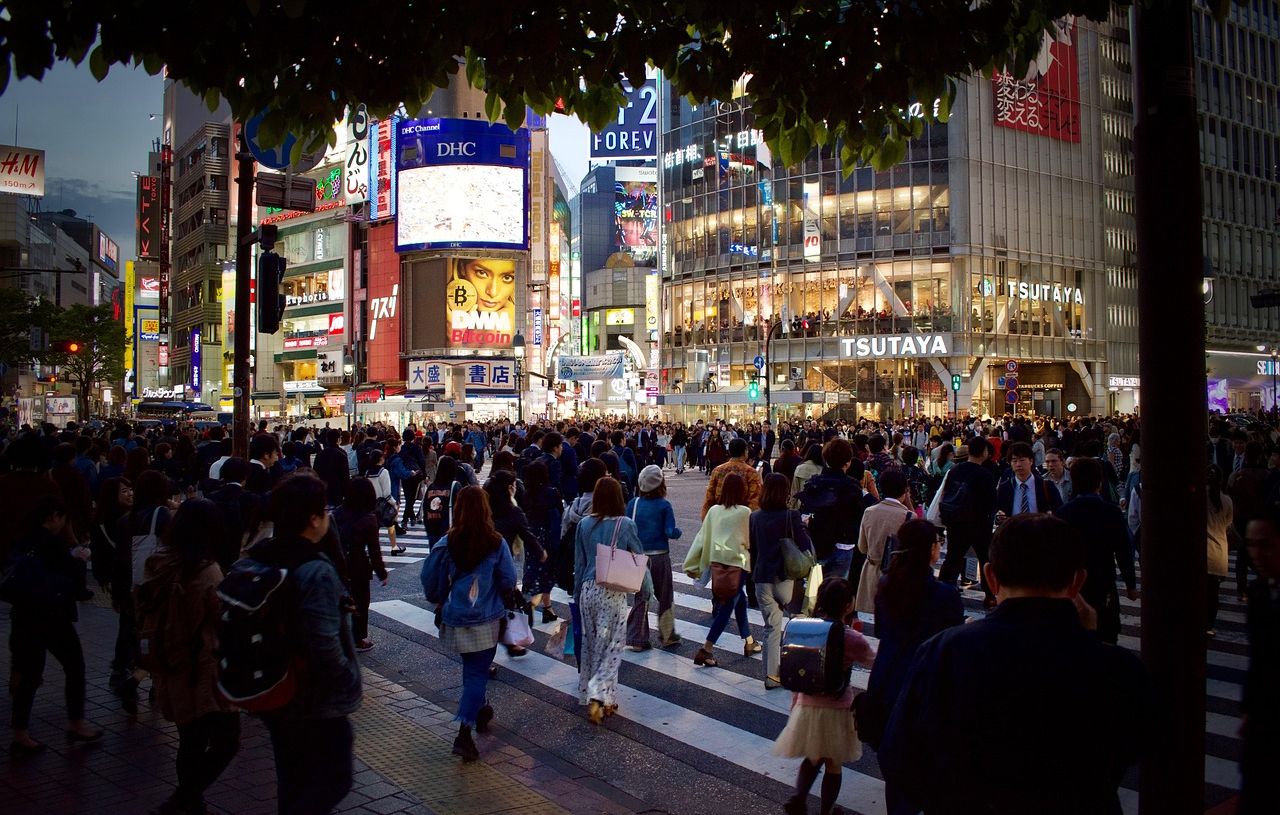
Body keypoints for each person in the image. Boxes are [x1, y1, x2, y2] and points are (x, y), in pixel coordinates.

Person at [879, 513, 1148, 815]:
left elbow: (900, 756)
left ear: (991, 577)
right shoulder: (1118, 669)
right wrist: (1086, 638)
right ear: (1077, 581)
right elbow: (1131, 746)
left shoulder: (946, 652)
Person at [248, 472, 361, 815]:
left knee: (292, 775)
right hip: (314, 695)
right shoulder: (315, 569)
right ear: (313, 520)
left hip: (274, 683)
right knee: (335, 777)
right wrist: (346, 679)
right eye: (324, 511)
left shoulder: (260, 553)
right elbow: (324, 642)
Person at [139, 499, 241, 815]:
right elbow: (224, 618)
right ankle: (182, 800)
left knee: (190, 739)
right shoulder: (206, 571)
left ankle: (191, 803)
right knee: (227, 742)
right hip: (204, 666)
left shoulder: (158, 563)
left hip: (171, 662)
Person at [861, 520, 963, 813]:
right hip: (928, 683)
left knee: (897, 770)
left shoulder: (886, 585)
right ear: (930, 550)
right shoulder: (945, 595)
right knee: (928, 768)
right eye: (937, 543)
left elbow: (882, 631)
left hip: (887, 678)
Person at [5, 495, 102, 756]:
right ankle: (76, 723)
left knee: (29, 673)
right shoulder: (52, 543)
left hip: (24, 613)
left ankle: (20, 733)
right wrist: (78, 560)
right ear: (55, 517)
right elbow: (71, 582)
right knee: (74, 664)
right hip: (52, 614)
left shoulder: (23, 540)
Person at [773, 577, 876, 815]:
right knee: (833, 764)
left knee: (812, 757)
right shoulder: (850, 637)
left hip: (807, 706)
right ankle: (826, 811)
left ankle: (799, 798)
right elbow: (873, 660)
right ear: (848, 605)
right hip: (837, 707)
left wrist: (795, 704)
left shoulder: (807, 629)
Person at [433, 485, 518, 761]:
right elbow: (507, 579)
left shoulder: (447, 542)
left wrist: (439, 600)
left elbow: (430, 579)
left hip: (456, 617)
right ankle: (464, 733)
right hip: (486, 618)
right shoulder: (495, 542)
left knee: (472, 670)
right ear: (485, 509)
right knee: (476, 674)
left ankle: (480, 708)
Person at [574, 476, 650, 723]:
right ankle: (600, 694)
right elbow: (639, 557)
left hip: (587, 589)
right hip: (611, 592)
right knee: (612, 648)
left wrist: (577, 594)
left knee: (592, 645)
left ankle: (601, 697)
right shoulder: (625, 524)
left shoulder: (584, 524)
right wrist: (646, 590)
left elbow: (579, 562)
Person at [1054, 457, 1137, 644]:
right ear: (1099, 482)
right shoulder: (1111, 512)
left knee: (1074, 636)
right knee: (1106, 633)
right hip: (1104, 579)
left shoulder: (1064, 513)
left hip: (1073, 583)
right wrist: (1130, 583)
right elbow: (1124, 551)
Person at [684, 473, 760, 666]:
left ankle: (749, 641)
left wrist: (693, 563)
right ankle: (706, 649)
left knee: (737, 599)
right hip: (738, 564)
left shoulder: (714, 511)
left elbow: (702, 537)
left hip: (718, 563)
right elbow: (751, 540)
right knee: (728, 605)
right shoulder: (745, 512)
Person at [750, 473, 814, 688]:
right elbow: (803, 545)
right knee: (799, 619)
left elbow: (753, 549)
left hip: (762, 577)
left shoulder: (755, 517)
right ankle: (798, 668)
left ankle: (771, 676)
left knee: (771, 628)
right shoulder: (791, 516)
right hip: (786, 577)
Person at [1241, 507, 1280, 814]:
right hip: (1263, 715)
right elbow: (1257, 659)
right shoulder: (1258, 591)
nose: (1256, 553)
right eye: (1251, 544)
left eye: (1265, 544)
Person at [936, 436, 999, 608]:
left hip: (956, 522)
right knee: (985, 558)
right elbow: (992, 502)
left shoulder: (955, 470)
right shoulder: (985, 474)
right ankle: (990, 595)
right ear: (984, 452)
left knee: (953, 558)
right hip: (979, 524)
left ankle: (942, 591)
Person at [625, 465, 683, 650]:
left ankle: (637, 639)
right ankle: (667, 635)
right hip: (659, 557)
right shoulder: (664, 505)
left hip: (639, 557)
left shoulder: (633, 504)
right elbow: (669, 531)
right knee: (665, 596)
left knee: (642, 597)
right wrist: (677, 532)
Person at [332, 478, 388, 652]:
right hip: (358, 565)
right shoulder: (369, 518)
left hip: (337, 563)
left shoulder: (338, 513)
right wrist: (382, 573)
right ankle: (357, 639)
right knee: (361, 602)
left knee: (340, 600)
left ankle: (340, 635)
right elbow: (374, 551)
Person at [855, 470, 915, 615]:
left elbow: (862, 547)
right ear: (905, 490)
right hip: (898, 578)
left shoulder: (869, 511)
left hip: (871, 573)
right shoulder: (909, 516)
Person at [519, 460, 563, 623]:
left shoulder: (527, 494)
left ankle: (539, 604)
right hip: (548, 536)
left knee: (533, 569)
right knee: (547, 572)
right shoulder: (551, 492)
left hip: (532, 536)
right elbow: (559, 513)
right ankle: (545, 607)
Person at [995, 441, 1063, 519]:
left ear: (1031, 461)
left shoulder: (1046, 486)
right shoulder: (1005, 488)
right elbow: (998, 513)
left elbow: (1059, 512)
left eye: (1022, 460)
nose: (1018, 464)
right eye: (1014, 461)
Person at [702, 437, 764, 518]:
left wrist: (706, 517)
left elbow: (709, 497)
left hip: (720, 516)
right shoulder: (751, 472)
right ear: (745, 452)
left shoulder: (717, 470)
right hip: (742, 518)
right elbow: (754, 499)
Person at [1206, 464, 1234, 637]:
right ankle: (1208, 625)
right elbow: (1229, 526)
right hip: (1218, 552)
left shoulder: (1198, 495)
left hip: (1200, 553)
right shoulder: (1227, 501)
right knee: (1212, 594)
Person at [363, 449, 403, 555]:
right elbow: (387, 493)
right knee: (391, 524)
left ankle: (373, 549)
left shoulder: (367, 472)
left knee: (374, 528)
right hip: (382, 503)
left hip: (369, 504)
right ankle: (394, 547)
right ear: (381, 459)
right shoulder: (383, 472)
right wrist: (394, 503)